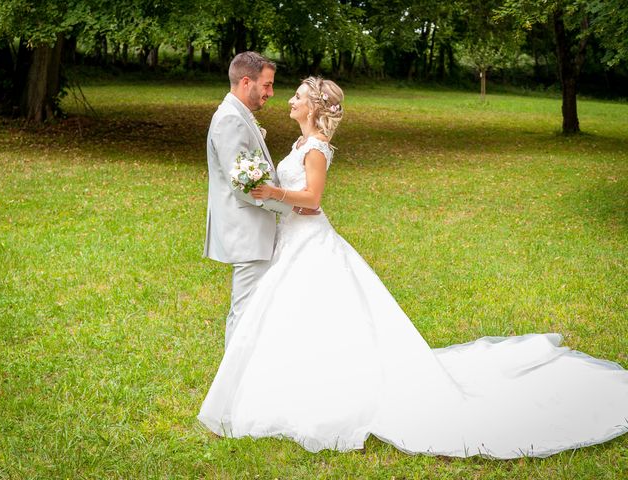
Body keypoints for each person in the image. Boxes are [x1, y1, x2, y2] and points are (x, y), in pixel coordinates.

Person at [198, 76, 628, 458]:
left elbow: (312, 201)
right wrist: (272, 194)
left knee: (321, 311)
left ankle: (331, 387)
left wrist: (272, 190)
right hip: (292, 239)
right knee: (293, 315)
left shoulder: (315, 148)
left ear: (313, 106)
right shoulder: (297, 144)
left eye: (296, 96)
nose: (288, 100)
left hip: (309, 239)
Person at [204, 52, 317, 349]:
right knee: (245, 314)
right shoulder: (230, 120)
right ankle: (233, 387)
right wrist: (292, 207)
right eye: (266, 86)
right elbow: (245, 185)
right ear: (246, 82)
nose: (270, 93)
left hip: (255, 231)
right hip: (248, 233)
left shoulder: (238, 115)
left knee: (254, 311)